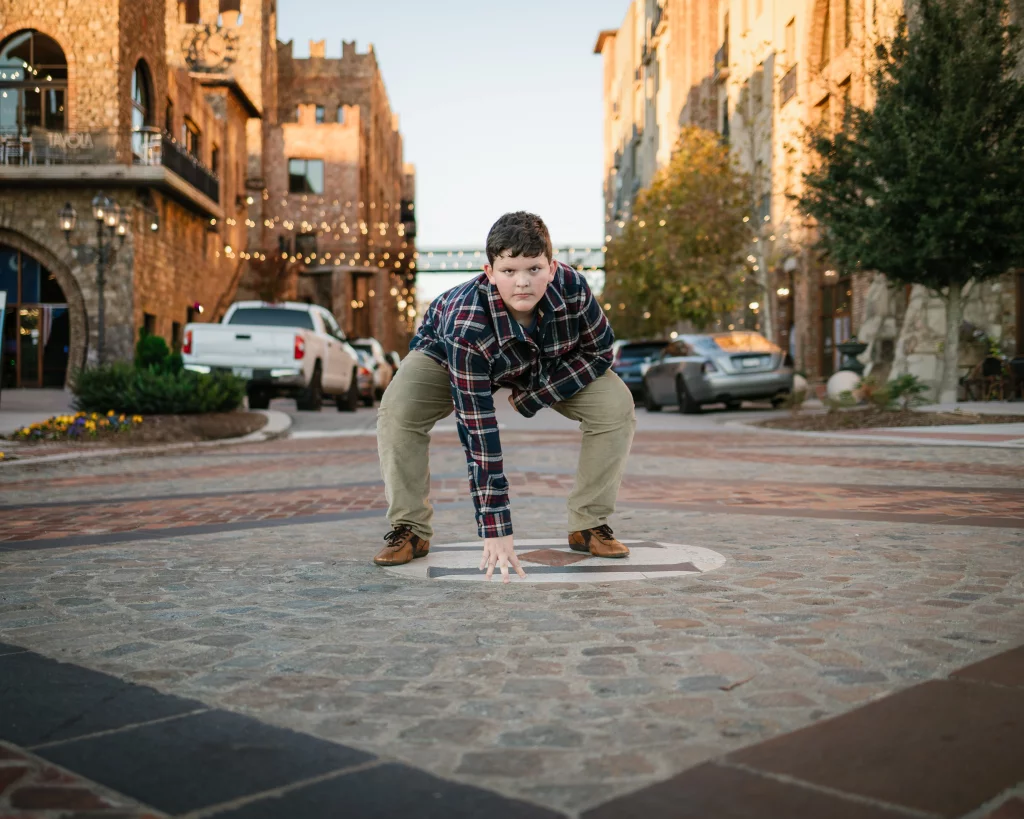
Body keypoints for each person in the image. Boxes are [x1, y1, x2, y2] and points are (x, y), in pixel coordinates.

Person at [374, 211, 636, 582]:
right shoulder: (468, 324)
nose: (523, 282)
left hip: (544, 364)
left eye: (534, 269)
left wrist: (535, 396)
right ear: (489, 271)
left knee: (616, 406)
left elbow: (599, 352)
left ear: (552, 266)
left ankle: (588, 524)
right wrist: (496, 527)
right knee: (397, 412)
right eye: (509, 271)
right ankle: (410, 529)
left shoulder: (575, 288)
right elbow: (478, 429)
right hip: (449, 356)